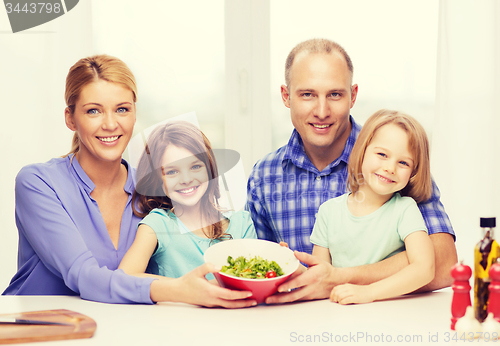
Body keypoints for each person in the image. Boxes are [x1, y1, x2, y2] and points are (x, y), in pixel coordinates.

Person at [3, 55, 256, 308]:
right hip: (36, 327)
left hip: (119, 329)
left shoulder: (157, 185)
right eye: (93, 111)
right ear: (70, 118)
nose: (111, 124)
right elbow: (82, 275)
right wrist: (179, 289)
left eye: (122, 109)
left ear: (135, 114)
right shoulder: (38, 183)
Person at [246, 38, 457, 303]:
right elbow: (256, 272)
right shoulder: (264, 177)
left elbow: (444, 263)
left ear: (353, 95)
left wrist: (343, 279)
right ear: (286, 97)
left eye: (335, 94)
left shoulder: (388, 162)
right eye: (307, 94)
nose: (322, 111)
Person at [311, 109, 435, 304]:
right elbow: (320, 277)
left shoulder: (405, 209)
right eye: (382, 154)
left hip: (389, 314)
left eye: (403, 162)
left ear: (413, 172)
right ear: (362, 151)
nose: (390, 168)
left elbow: (425, 268)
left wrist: (369, 293)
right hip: (339, 313)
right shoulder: (328, 212)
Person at [118, 121, 257, 279]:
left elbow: (255, 279)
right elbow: (124, 278)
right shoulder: (157, 225)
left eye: (195, 167)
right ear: (158, 180)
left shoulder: (242, 223)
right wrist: (187, 289)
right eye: (172, 171)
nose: (186, 179)